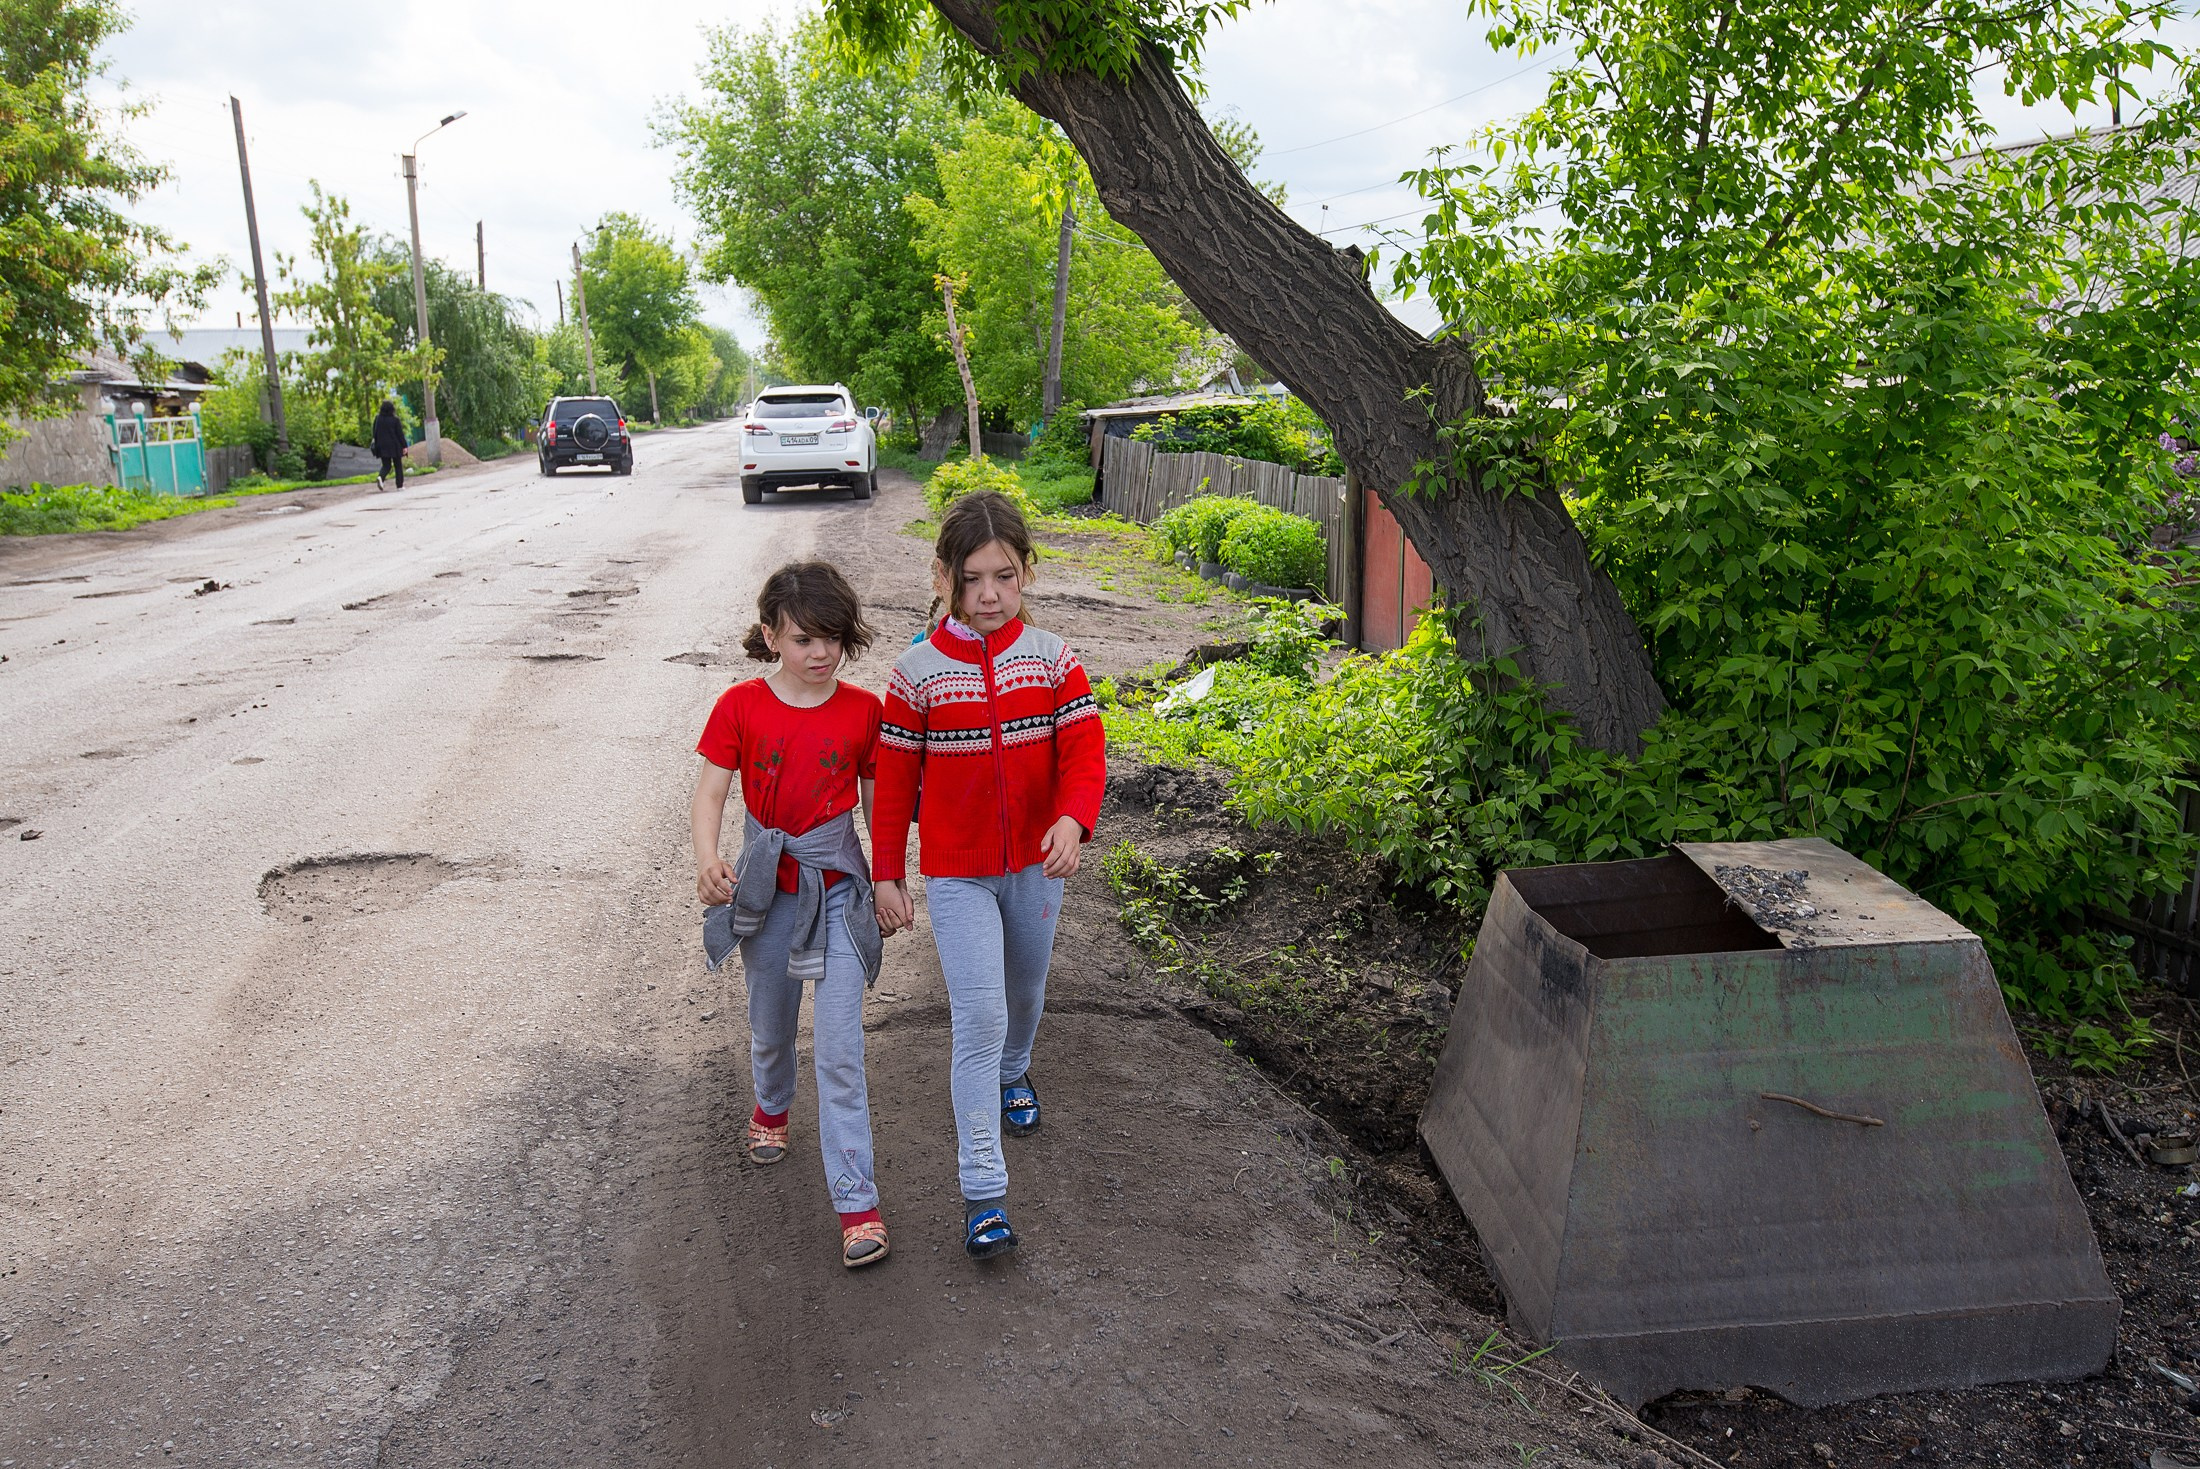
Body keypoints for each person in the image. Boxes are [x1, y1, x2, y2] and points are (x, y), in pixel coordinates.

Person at [871, 491, 1106, 1259]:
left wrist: (1071, 818)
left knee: (1026, 990)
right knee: (978, 1015)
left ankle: (1017, 1073)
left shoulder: (1054, 659)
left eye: (1004, 575)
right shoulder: (915, 675)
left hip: (1038, 867)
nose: (991, 595)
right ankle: (984, 1193)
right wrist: (887, 871)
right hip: (959, 875)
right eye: (972, 579)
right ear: (943, 578)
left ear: (1027, 572)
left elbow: (1084, 754)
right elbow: (895, 783)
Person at [693, 560, 892, 1269]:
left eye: (834, 638)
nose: (822, 653)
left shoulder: (866, 712)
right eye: (805, 638)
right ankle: (771, 1106)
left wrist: (890, 877)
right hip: (766, 889)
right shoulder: (739, 706)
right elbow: (712, 791)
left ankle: (858, 1203)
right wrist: (708, 858)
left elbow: (879, 803)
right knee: (771, 1021)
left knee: (840, 1049)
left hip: (837, 886)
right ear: (772, 635)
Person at [371, 400, 407, 489]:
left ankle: (381, 477)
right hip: (395, 446)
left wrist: (377, 442)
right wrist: (404, 446)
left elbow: (374, 432)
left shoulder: (378, 418)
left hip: (382, 446)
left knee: (386, 465)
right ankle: (399, 486)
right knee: (398, 465)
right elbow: (400, 434)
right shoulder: (395, 420)